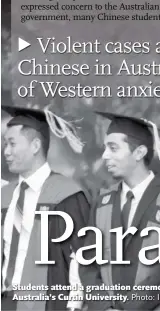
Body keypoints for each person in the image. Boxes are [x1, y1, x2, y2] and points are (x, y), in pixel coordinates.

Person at [77, 112, 160, 311]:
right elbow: (88, 265)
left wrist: (129, 308)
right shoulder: (102, 201)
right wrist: (104, 307)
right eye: (105, 148)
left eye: (113, 148)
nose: (105, 156)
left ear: (139, 153)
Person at [0, 105, 91, 311]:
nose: (6, 151)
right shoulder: (5, 197)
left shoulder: (67, 194)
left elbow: (81, 256)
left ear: (35, 146)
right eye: (5, 144)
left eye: (12, 144)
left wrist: (74, 305)